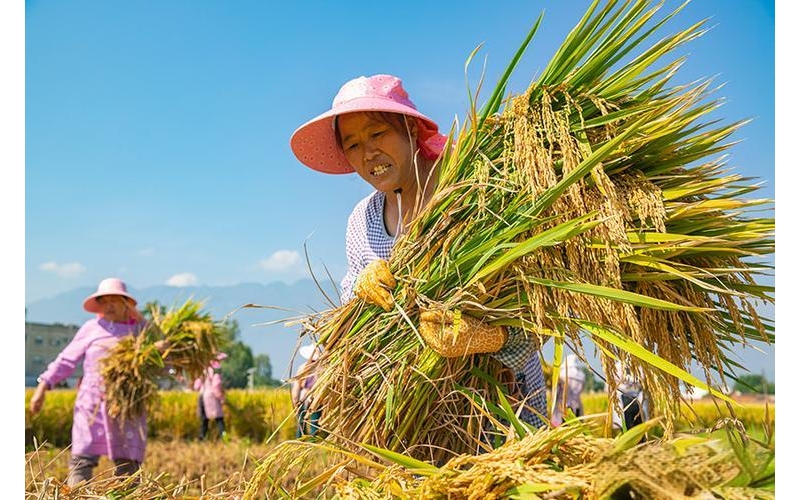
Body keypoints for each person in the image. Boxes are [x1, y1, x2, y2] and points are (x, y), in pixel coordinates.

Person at [290, 74, 548, 429]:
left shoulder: (470, 193)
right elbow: (353, 315)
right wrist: (362, 291)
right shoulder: (363, 221)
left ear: (410, 129)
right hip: (420, 421)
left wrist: (489, 337)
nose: (368, 153)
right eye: (352, 145)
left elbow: (544, 305)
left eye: (377, 134)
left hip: (503, 409)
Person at [28, 277, 165, 486]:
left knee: (128, 464)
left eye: (115, 300)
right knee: (81, 459)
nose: (109, 305)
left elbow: (163, 341)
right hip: (91, 404)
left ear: (125, 304)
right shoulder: (92, 328)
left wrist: (138, 318)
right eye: (104, 300)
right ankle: (76, 495)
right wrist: (42, 387)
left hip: (126, 406)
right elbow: (66, 360)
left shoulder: (138, 331)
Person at [290, 343, 322, 438]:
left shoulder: (303, 368)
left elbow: (297, 387)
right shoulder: (321, 368)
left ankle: (301, 440)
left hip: (306, 398)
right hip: (315, 398)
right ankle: (313, 441)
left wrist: (295, 400)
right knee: (314, 422)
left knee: (302, 422)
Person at [194, 352, 227, 441]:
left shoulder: (204, 371)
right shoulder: (216, 371)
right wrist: (222, 398)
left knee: (204, 419)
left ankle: (201, 437)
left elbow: (196, 385)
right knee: (219, 418)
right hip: (211, 397)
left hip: (202, 396)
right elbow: (216, 386)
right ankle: (223, 437)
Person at [610, 359, 649, 432]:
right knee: (626, 426)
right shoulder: (618, 366)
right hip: (624, 398)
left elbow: (643, 379)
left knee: (639, 425)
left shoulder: (640, 366)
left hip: (637, 399)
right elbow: (618, 379)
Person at [551, 353, 586, 426]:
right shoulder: (581, 376)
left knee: (563, 431)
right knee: (576, 431)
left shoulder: (562, 374)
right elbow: (581, 391)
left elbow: (556, 391)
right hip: (577, 407)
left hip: (563, 407)